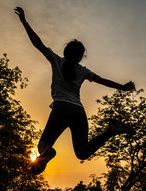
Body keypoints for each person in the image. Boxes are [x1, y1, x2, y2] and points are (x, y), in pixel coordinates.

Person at [14, 7, 136, 175]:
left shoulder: (56, 60)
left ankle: (47, 152)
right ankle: (110, 131)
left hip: (61, 108)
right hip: (78, 111)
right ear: (80, 57)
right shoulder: (83, 71)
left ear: (66, 52)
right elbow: (102, 80)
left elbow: (38, 44)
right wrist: (123, 87)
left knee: (44, 144)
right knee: (82, 152)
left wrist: (24, 22)